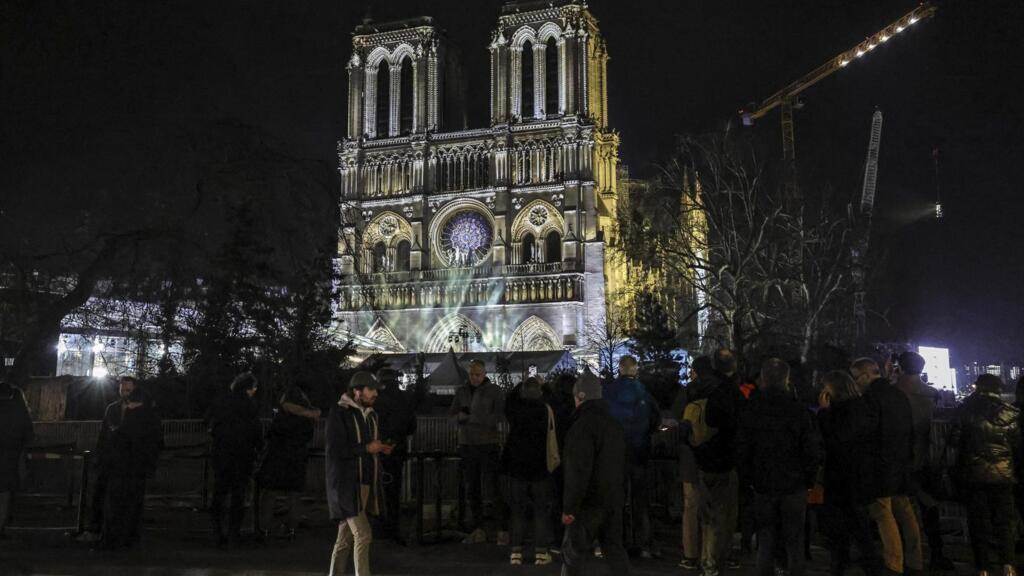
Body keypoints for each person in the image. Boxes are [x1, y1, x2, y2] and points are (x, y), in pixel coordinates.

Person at [736, 358, 822, 576]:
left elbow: (743, 449)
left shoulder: (751, 408)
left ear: (763, 378)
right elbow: (810, 449)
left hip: (762, 483)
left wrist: (747, 479)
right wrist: (809, 479)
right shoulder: (799, 410)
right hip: (794, 484)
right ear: (787, 379)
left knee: (766, 539)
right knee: (794, 541)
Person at [848, 358, 923, 576]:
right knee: (906, 514)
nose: (854, 383)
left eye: (855, 377)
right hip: (901, 465)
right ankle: (915, 561)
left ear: (866, 375)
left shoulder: (869, 400)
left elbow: (865, 436)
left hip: (880, 468)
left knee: (883, 516)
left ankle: (893, 564)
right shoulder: (899, 395)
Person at [560, 370, 630, 576]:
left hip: (588, 503)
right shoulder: (614, 425)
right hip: (613, 498)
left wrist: (569, 507)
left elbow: (577, 471)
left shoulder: (581, 427)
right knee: (614, 549)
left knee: (573, 554)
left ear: (580, 396)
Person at [950, 374, 1020, 576]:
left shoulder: (965, 410)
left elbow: (954, 441)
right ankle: (1008, 564)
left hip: (973, 475)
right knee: (1005, 521)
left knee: (978, 521)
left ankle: (983, 567)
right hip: (1003, 475)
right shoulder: (1010, 412)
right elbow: (1016, 444)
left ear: (977, 388)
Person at [326, 371, 393, 576]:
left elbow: (363, 446)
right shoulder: (340, 413)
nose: (375, 394)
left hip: (363, 483)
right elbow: (337, 450)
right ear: (357, 392)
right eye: (371, 389)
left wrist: (379, 447)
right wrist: (367, 448)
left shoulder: (370, 415)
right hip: (347, 484)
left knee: (344, 538)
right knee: (363, 534)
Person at [815, 370, 880, 576]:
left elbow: (833, 441)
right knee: (860, 528)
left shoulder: (839, 413)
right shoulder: (862, 408)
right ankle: (868, 566)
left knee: (845, 529)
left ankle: (843, 565)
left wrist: (823, 413)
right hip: (860, 475)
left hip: (841, 477)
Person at [894, 351, 953, 571]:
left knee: (900, 511)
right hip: (927, 458)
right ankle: (937, 554)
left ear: (900, 366)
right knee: (929, 509)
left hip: (900, 459)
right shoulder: (931, 394)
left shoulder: (894, 392)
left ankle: (905, 558)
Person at [683, 356, 741, 576]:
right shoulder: (731, 392)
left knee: (706, 515)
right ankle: (718, 560)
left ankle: (706, 562)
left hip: (702, 458)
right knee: (723, 514)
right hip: (725, 459)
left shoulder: (695, 391)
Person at [95, 375, 163, 550]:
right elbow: (104, 437)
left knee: (128, 503)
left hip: (131, 464)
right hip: (121, 464)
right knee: (118, 503)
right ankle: (119, 538)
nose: (125, 393)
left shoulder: (139, 412)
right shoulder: (114, 409)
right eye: (122, 390)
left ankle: (123, 538)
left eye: (128, 390)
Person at [603, 355, 660, 557]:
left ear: (619, 369)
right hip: (639, 452)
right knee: (640, 499)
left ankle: (616, 541)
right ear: (635, 369)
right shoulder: (642, 392)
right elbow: (655, 418)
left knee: (616, 500)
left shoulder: (609, 392)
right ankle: (643, 542)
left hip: (616, 453)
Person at [256, 380, 321, 542]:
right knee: (294, 496)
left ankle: (264, 528)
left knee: (269, 494)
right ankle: (291, 529)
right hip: (297, 458)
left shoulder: (281, 416)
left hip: (276, 458)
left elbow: (270, 434)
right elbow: (308, 436)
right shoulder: (306, 419)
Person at [448, 359, 505, 542]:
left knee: (493, 487)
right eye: (472, 374)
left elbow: (499, 415)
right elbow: (451, 415)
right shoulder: (462, 391)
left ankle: (499, 527)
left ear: (484, 374)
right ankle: (478, 527)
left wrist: (472, 419)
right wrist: (460, 417)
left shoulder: (494, 391)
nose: (474, 378)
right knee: (472, 487)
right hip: (468, 443)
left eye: (478, 374)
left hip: (487, 443)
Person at [502, 377, 556, 566]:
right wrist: (545, 385)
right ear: (540, 393)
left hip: (517, 467)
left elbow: (508, 400)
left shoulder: (515, 410)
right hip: (541, 466)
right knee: (541, 510)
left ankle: (516, 551)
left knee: (517, 510)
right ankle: (541, 551)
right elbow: (554, 399)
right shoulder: (545, 410)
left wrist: (519, 384)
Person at [206, 372, 263, 547]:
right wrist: (258, 448)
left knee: (219, 492)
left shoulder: (221, 400)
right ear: (249, 388)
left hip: (221, 453)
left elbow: (208, 421)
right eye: (254, 389)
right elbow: (256, 430)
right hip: (242, 455)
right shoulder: (250, 405)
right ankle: (233, 533)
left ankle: (217, 531)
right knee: (238, 495)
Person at [372, 367, 418, 544]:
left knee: (377, 489)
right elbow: (411, 427)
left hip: (377, 450)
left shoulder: (375, 399)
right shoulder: (405, 398)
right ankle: (393, 527)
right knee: (394, 491)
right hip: (398, 449)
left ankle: (379, 526)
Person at [0, 377, 33, 539]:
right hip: (11, 459)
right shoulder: (19, 411)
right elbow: (29, 434)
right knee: (5, 494)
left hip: (8, 456)